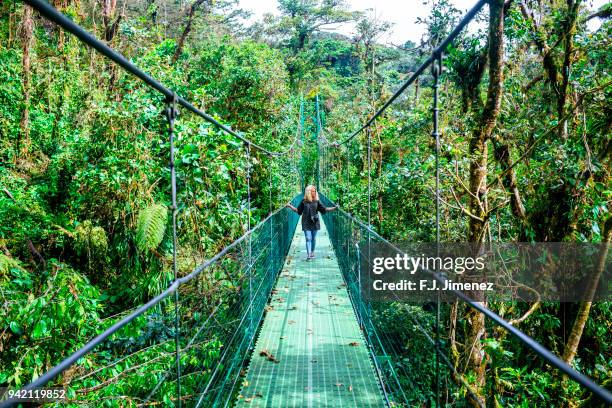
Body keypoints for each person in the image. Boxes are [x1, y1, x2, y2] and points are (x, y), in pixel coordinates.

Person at [287, 185, 337, 260]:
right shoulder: (304, 201)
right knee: (308, 238)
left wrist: (334, 208)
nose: (315, 192)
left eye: (315, 191)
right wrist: (290, 206)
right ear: (308, 192)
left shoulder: (317, 201)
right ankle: (309, 255)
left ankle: (312, 252)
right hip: (306, 222)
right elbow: (298, 211)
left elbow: (324, 209)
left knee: (313, 238)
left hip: (314, 222)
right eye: (313, 191)